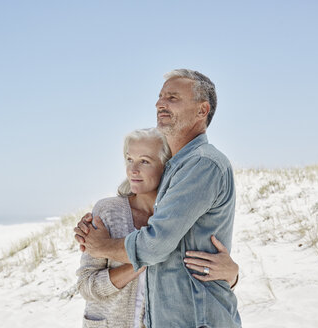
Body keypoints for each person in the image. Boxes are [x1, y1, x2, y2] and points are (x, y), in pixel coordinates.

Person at [75, 69, 241, 327]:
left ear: (202, 110)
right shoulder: (175, 170)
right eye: (160, 97)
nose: (160, 104)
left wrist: (102, 245)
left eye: (173, 98)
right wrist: (232, 274)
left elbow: (155, 246)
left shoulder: (202, 164)